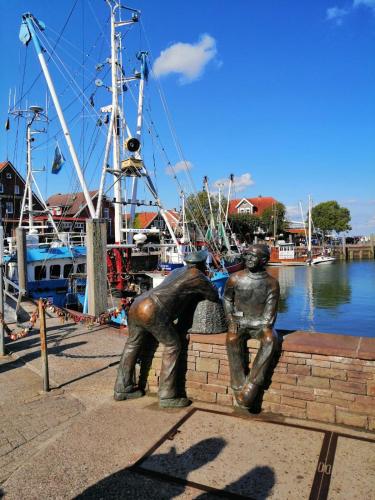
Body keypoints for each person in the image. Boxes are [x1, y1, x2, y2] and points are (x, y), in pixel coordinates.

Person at [114, 250, 220, 408]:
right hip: (153, 309)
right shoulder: (198, 276)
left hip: (138, 304)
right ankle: (167, 396)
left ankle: (122, 388)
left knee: (132, 344)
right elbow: (214, 296)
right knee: (173, 345)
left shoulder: (178, 271)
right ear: (202, 264)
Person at [223, 244, 280, 408]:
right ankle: (238, 383)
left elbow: (269, 318)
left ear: (263, 260)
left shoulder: (272, 283)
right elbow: (227, 299)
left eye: (252, 256)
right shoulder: (235, 278)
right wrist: (232, 319)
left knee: (270, 339)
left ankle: (253, 384)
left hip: (259, 324)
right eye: (246, 255)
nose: (248, 259)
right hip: (239, 321)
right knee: (232, 338)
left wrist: (251, 322)